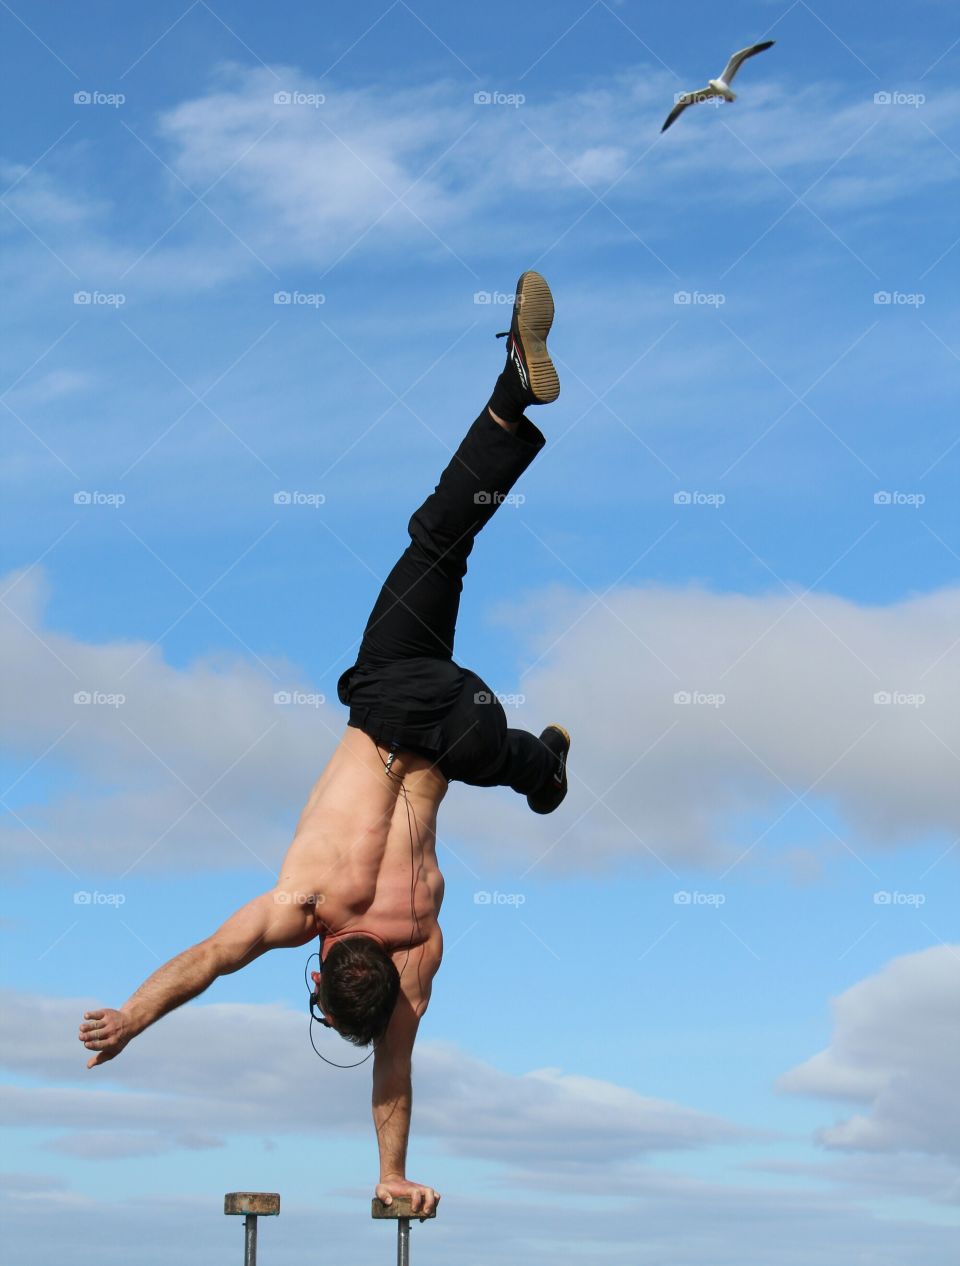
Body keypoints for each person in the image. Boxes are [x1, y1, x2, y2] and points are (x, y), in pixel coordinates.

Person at [77, 271, 571, 1217]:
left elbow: (391, 1081)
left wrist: (393, 1174)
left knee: (502, 755)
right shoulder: (301, 904)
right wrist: (130, 1016)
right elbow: (210, 957)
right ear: (316, 969)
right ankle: (511, 392)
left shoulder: (414, 957)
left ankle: (543, 772)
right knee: (439, 537)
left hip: (466, 726)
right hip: (402, 694)